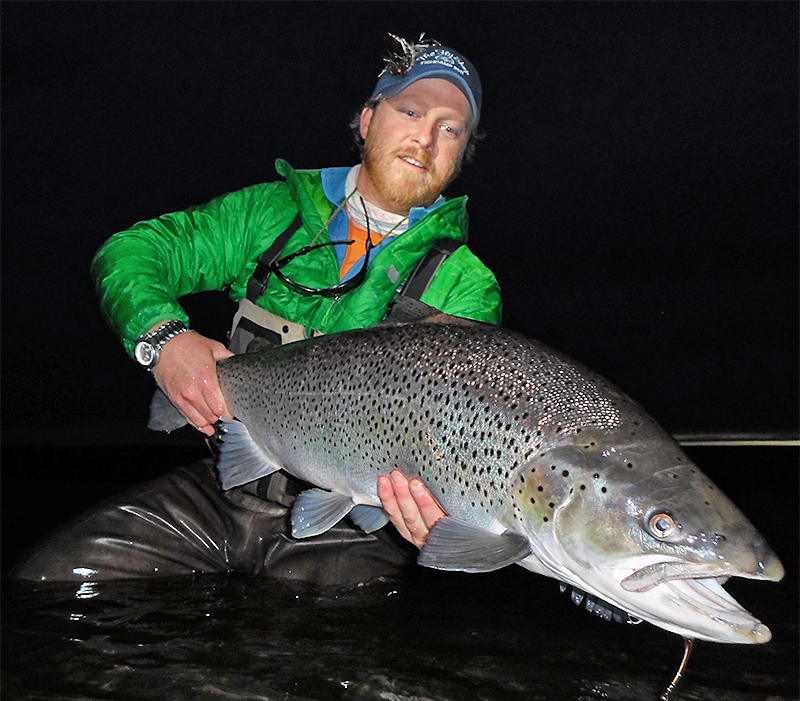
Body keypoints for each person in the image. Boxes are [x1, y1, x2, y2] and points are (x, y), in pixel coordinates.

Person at [11, 35, 502, 585]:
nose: (426, 137)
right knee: (49, 582)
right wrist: (164, 339)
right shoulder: (271, 212)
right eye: (410, 111)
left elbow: (460, 435)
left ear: (461, 155)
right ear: (366, 121)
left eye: (450, 128)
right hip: (220, 492)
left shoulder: (467, 286)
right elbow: (131, 253)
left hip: (351, 532)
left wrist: (449, 521)